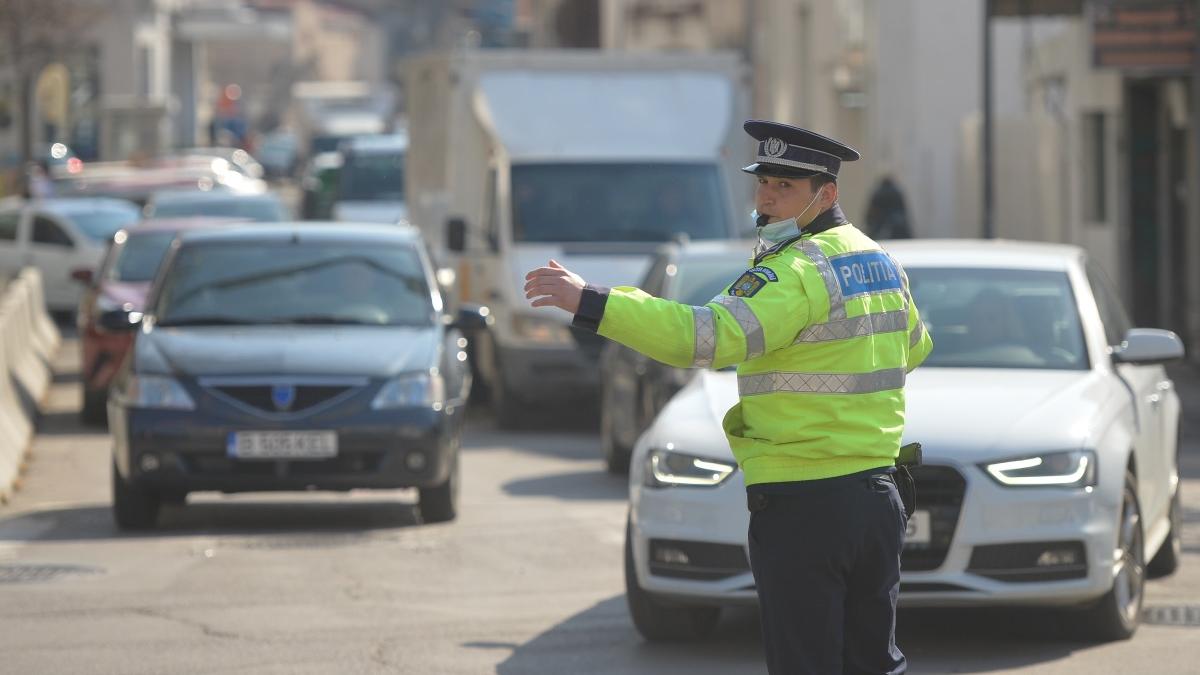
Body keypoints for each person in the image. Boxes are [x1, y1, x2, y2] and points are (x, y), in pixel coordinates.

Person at [525, 120, 933, 674]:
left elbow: (704, 338)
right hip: (878, 499)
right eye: (763, 182)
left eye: (785, 186)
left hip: (806, 503)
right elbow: (913, 346)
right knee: (873, 664)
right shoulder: (879, 260)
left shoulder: (795, 270)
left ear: (827, 193)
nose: (766, 197)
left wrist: (592, 302)